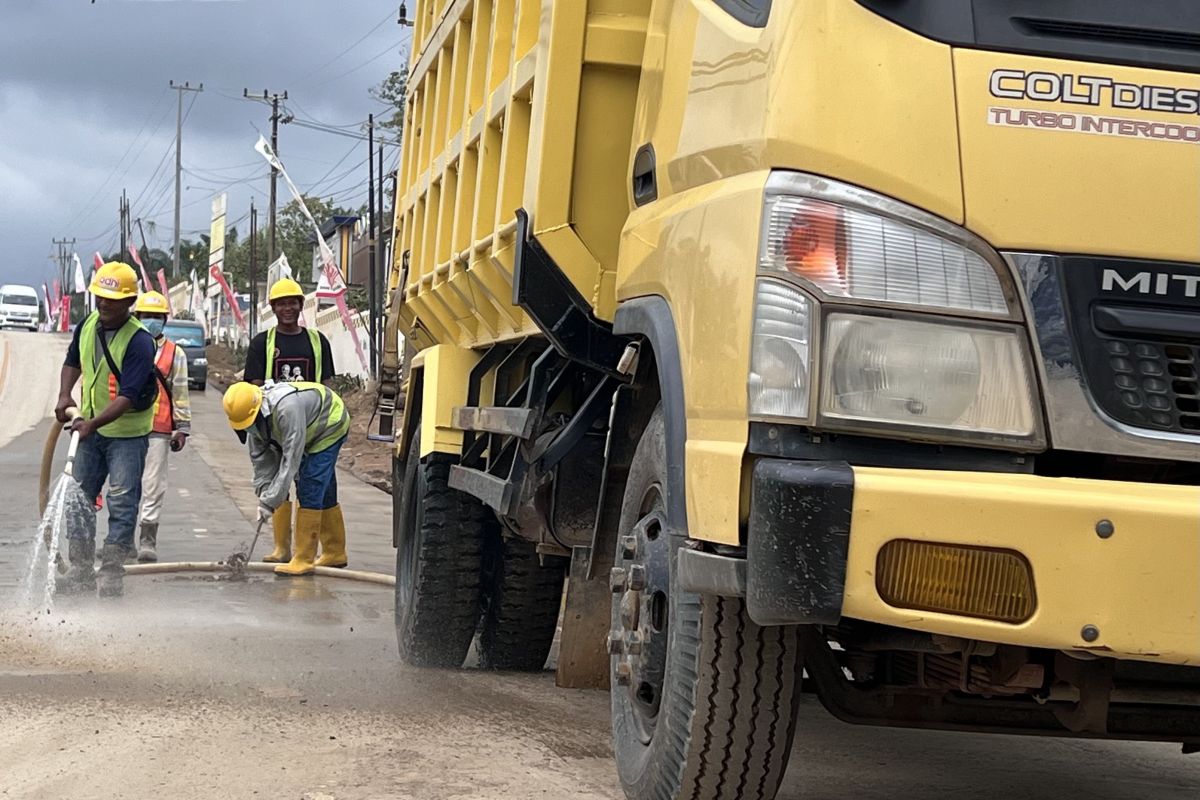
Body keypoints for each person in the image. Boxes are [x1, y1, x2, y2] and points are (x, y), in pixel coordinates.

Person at [54, 262, 156, 597]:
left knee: (123, 501)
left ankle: (112, 572)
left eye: (113, 299)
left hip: (126, 434)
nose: (104, 304)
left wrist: (92, 424)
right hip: (89, 428)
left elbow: (128, 396)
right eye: (100, 297)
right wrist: (65, 394)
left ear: (129, 302)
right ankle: (82, 569)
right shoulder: (87, 326)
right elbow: (72, 362)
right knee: (78, 497)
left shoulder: (140, 341)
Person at [242, 277, 335, 565]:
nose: (287, 308)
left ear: (300, 305)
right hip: (277, 427)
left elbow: (328, 384)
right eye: (281, 304)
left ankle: (333, 551)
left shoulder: (318, 342)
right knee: (278, 477)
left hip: (315, 427)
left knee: (320, 484)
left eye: (292, 303)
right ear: (273, 307)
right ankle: (282, 548)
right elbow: (253, 390)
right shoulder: (262, 343)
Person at [222, 380, 350, 576]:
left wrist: (271, 501)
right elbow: (262, 465)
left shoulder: (287, 408)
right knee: (324, 487)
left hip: (329, 425)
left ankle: (304, 558)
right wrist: (265, 494)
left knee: (310, 484)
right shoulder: (254, 423)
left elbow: (291, 460)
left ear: (257, 410)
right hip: (305, 430)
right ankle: (326, 552)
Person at [132, 291, 191, 563]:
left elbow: (180, 391)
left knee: (153, 486)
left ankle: (147, 540)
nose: (152, 321)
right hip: (128, 426)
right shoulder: (126, 346)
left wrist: (182, 428)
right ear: (137, 317)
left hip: (159, 428)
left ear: (165, 320)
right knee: (126, 485)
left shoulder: (174, 353)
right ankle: (122, 538)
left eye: (156, 317)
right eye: (147, 316)